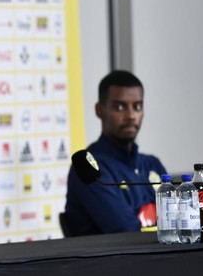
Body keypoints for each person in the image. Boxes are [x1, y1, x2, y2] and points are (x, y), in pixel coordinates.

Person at [65, 69, 167, 236]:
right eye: (119, 107)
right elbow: (127, 233)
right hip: (112, 262)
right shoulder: (89, 168)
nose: (131, 115)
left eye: (137, 106)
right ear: (100, 110)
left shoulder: (152, 164)